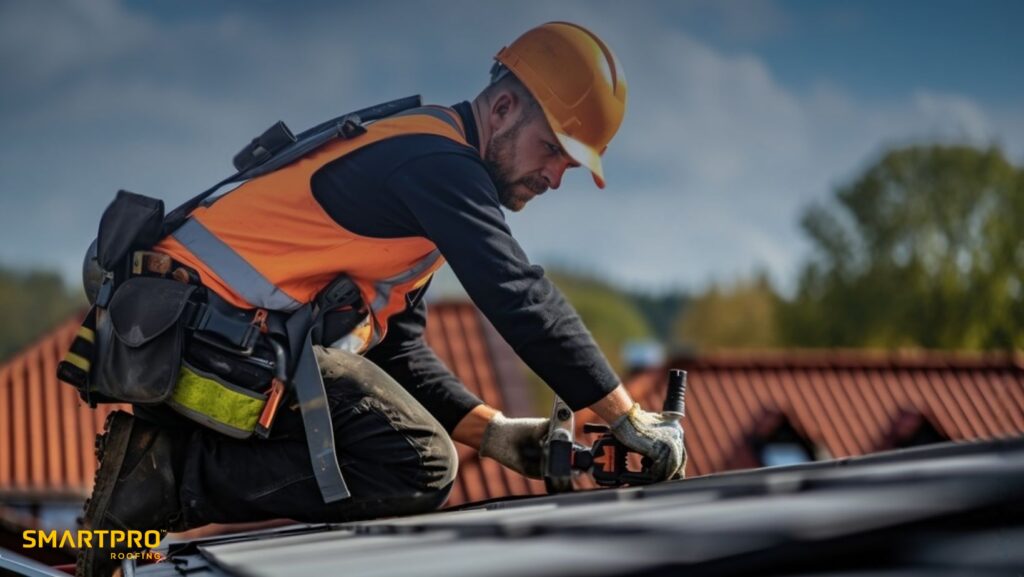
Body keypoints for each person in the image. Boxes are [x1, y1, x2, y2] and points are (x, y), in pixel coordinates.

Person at [77, 21, 685, 576]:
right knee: (419, 462)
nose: (554, 177)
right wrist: (626, 419)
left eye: (569, 167)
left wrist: (495, 434)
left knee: (404, 445)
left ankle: (160, 474)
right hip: (186, 340)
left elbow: (397, 353)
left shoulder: (425, 172)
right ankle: (157, 481)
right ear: (501, 109)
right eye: (552, 149)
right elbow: (517, 293)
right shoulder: (437, 163)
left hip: (185, 340)